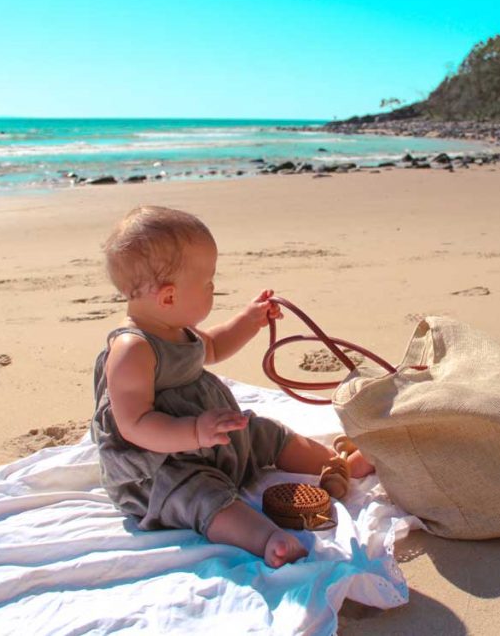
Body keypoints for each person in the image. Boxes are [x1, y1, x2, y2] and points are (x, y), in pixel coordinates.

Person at [91, 205, 374, 568]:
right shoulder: (132, 350)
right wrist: (193, 430)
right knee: (201, 496)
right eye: (208, 283)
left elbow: (213, 346)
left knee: (265, 433)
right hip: (159, 467)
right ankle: (265, 538)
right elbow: (134, 425)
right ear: (168, 297)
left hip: (209, 438)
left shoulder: (176, 326)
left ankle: (337, 464)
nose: (213, 288)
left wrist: (249, 320)